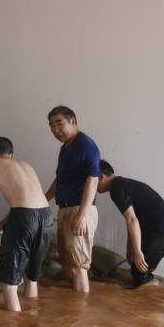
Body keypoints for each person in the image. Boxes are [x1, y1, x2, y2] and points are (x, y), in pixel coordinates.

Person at [0, 136, 53, 312]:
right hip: (47, 216)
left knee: (9, 283)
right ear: (11, 154)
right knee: (32, 276)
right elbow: (27, 204)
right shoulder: (26, 166)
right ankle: (32, 321)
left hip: (24, 217)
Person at [97, 159, 164, 288]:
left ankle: (149, 298)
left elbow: (132, 220)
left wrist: (137, 251)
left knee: (139, 274)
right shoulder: (121, 184)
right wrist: (130, 247)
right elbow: (132, 220)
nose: (91, 186)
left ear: (101, 176)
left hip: (163, 231)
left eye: (91, 180)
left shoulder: (116, 187)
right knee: (139, 272)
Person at [45, 105, 100, 293]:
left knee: (79, 267)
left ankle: (81, 317)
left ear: (73, 122)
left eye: (59, 124)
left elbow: (92, 181)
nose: (55, 130)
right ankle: (70, 316)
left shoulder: (85, 145)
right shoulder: (65, 149)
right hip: (66, 209)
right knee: (68, 263)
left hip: (80, 210)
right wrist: (43, 201)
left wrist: (82, 216)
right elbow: (59, 180)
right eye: (51, 126)